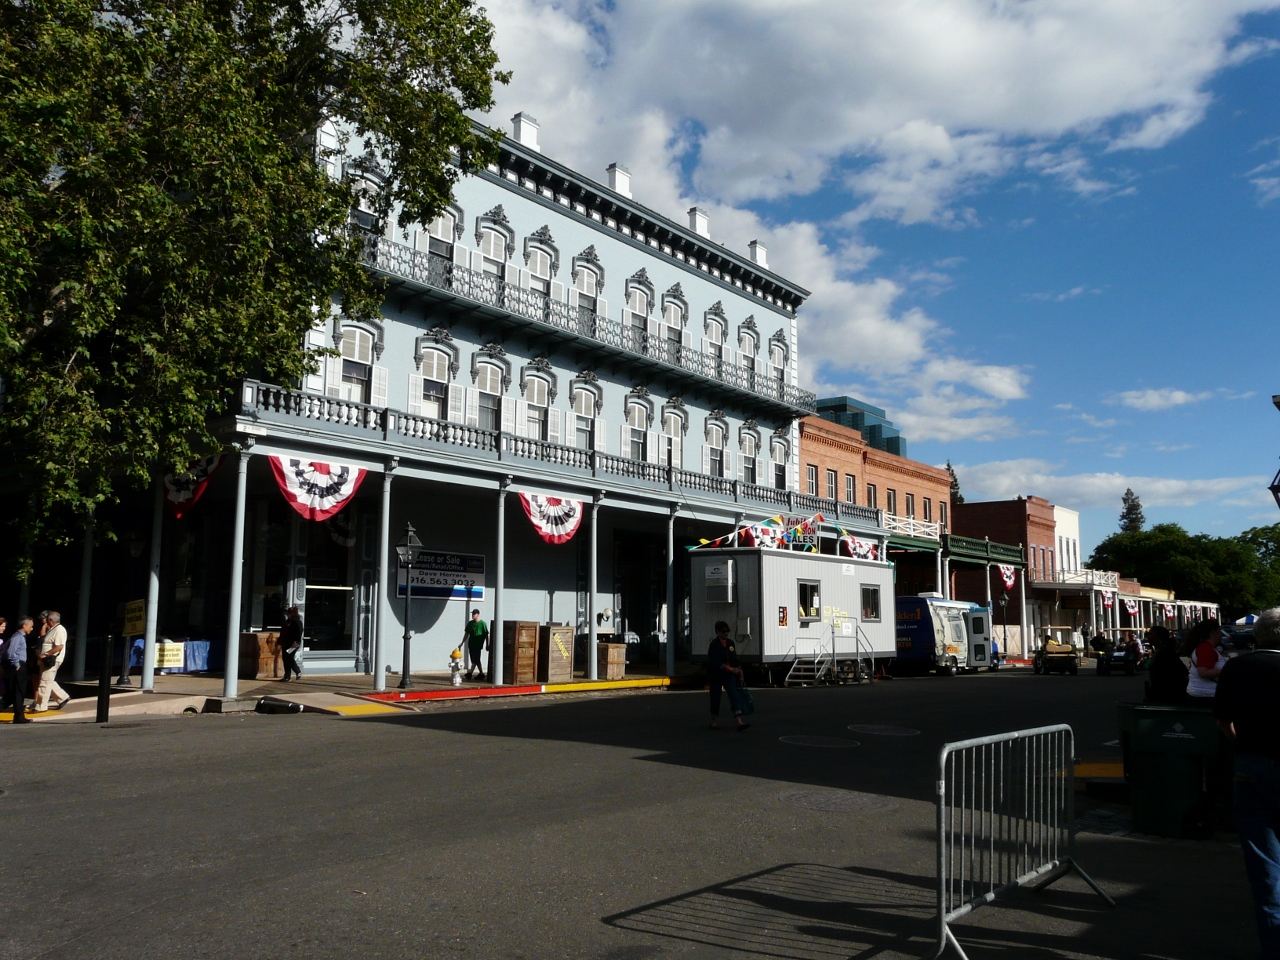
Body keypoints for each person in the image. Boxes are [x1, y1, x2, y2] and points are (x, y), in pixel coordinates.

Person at [1215, 607, 1280, 959]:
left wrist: (1242, 742)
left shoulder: (1238, 667)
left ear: (1259, 635)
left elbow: (1223, 720)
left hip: (1252, 763)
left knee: (1265, 867)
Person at [708, 620, 749, 731]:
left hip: (729, 675)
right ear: (717, 632)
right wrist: (729, 668)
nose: (726, 633)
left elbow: (734, 658)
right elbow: (715, 661)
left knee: (734, 695)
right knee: (716, 697)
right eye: (723, 631)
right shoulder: (714, 645)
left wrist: (739, 671)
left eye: (727, 631)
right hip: (716, 675)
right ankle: (713, 719)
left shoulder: (731, 643)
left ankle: (739, 721)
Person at [32, 610, 70, 712]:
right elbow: (43, 637)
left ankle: (41, 706)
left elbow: (59, 646)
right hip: (45, 660)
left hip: (51, 659)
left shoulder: (59, 630)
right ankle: (62, 697)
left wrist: (45, 654)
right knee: (48, 680)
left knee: (44, 682)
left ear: (50, 620)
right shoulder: (52, 629)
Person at [2, 617, 35, 724]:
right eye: (31, 626)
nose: (32, 628)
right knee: (18, 692)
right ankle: (19, 716)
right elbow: (11, 653)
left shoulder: (19, 637)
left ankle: (19, 716)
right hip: (17, 666)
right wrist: (17, 665)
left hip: (18, 666)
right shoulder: (18, 637)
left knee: (12, 694)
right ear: (24, 626)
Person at [1184, 619, 1227, 699]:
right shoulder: (1206, 649)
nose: (1221, 634)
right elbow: (1203, 672)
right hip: (1205, 696)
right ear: (1212, 632)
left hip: (1200, 693)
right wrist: (1228, 670)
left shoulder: (1204, 647)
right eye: (1219, 630)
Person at [1146, 625, 1188, 704]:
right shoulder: (1162, 651)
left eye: (1151, 634)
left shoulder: (1165, 653)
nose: (1148, 637)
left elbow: (1161, 676)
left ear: (1159, 637)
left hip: (1166, 695)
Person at [462, 609, 488, 682]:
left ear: (478, 614)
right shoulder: (470, 623)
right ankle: (481, 673)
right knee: (475, 660)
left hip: (478, 644)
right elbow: (466, 634)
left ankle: (470, 673)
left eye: (474, 614)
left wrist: (487, 644)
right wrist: (462, 642)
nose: (473, 615)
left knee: (475, 659)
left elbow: (486, 635)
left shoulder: (483, 624)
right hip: (471, 644)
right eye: (472, 614)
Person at [279, 606, 303, 681]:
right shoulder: (287, 622)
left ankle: (297, 671)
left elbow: (299, 633)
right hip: (285, 643)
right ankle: (287, 676)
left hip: (294, 644)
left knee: (289, 658)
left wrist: (296, 642)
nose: (287, 615)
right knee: (285, 659)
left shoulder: (297, 622)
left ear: (292, 614)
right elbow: (283, 632)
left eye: (289, 613)